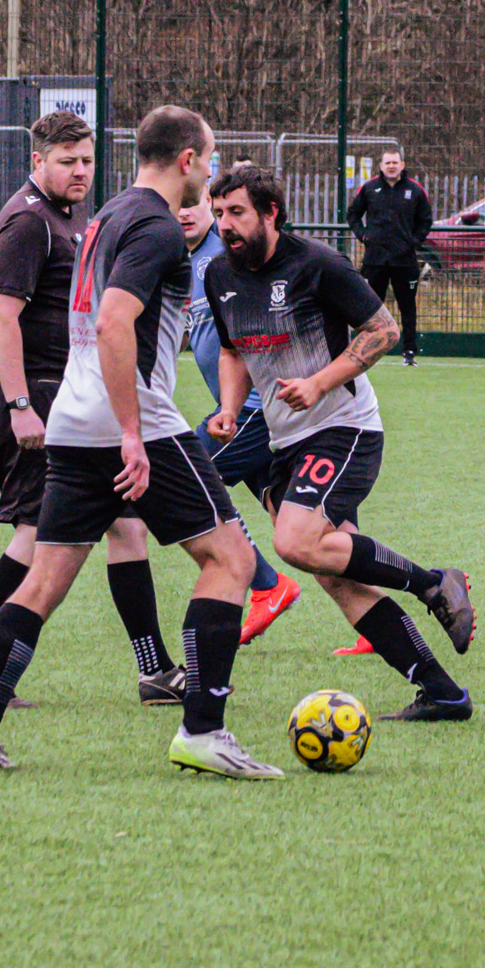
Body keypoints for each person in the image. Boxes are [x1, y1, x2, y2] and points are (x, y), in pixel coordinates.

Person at [0, 106, 282, 779]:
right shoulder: (155, 225)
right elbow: (112, 321)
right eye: (210, 159)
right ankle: (203, 730)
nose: (213, 173)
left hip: (70, 422)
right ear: (186, 160)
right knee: (232, 561)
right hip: (137, 423)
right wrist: (132, 432)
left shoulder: (108, 216)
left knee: (42, 581)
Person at [204, 165, 477, 720]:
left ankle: (432, 583)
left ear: (270, 212)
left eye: (236, 212)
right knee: (337, 576)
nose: (224, 225)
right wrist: (229, 410)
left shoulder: (316, 264)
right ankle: (444, 693)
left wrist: (318, 382)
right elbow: (232, 350)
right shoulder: (218, 275)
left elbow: (383, 331)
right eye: (218, 213)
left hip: (345, 427)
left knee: (296, 542)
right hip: (286, 440)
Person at [0, 111, 178, 708]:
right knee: (35, 532)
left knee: (126, 524)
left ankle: (154, 669)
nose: (81, 171)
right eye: (67, 162)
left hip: (71, 395)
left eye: (87, 160)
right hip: (34, 394)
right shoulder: (27, 222)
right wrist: (18, 405)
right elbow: (1, 316)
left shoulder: (73, 216)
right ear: (36, 162)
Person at [179, 194, 301, 643]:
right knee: (303, 526)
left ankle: (268, 585)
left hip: (253, 411)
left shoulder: (222, 258)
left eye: (196, 205)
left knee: (186, 477)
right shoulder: (184, 261)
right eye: (180, 205)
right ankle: (393, 602)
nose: (186, 213)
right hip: (242, 412)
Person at [346, 149, 433, 365]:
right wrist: (363, 235)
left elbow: (426, 220)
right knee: (369, 307)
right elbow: (353, 214)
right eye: (387, 162)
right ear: (382, 165)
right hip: (375, 260)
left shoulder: (414, 190)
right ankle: (361, 353)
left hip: (405, 261)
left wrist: (414, 241)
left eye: (395, 162)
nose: (391, 166)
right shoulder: (369, 188)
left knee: (407, 307)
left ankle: (409, 352)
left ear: (402, 165)